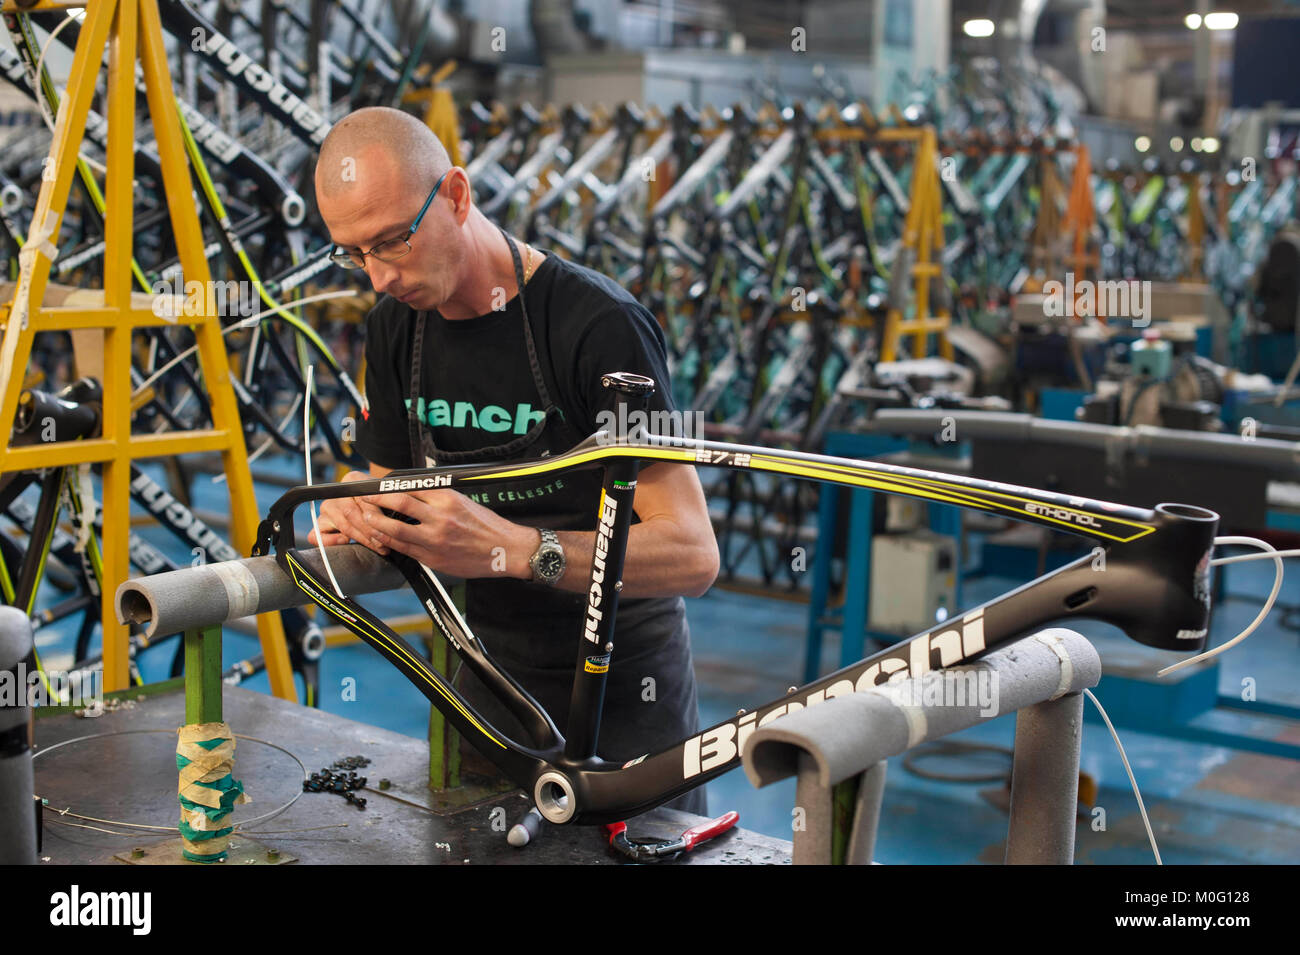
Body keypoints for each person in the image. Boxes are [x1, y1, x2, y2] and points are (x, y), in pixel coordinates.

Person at [310, 107, 718, 814]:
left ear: (458, 196)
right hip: (485, 692)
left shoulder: (596, 327)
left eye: (391, 243)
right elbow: (389, 490)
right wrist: (355, 502)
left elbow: (692, 553)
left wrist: (524, 550)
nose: (377, 276)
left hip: (621, 701)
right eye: (353, 253)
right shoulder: (393, 327)